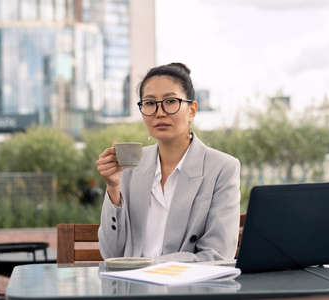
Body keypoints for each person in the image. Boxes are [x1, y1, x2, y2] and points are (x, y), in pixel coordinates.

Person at [96, 62, 240, 262]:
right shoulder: (129, 166)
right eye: (149, 103)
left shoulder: (222, 168)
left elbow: (217, 254)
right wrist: (113, 188)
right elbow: (111, 254)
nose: (160, 112)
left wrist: (151, 266)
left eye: (170, 101)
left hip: (188, 288)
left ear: (192, 109)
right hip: (131, 288)